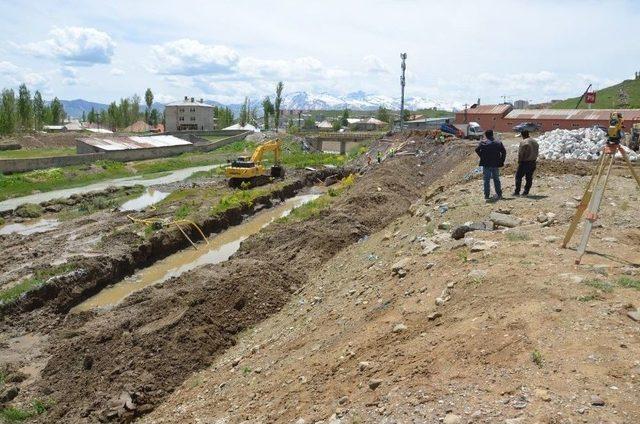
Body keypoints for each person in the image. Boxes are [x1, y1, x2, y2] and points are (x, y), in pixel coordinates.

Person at [475, 129, 506, 201]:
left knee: (486, 180)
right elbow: (504, 152)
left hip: (486, 164)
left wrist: (482, 157)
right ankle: (499, 194)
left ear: (486, 135)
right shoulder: (498, 143)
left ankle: (487, 195)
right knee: (496, 179)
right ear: (492, 134)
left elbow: (476, 150)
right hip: (495, 164)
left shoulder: (483, 143)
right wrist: (501, 161)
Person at [513, 130, 539, 196]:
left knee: (518, 177)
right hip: (533, 162)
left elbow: (521, 153)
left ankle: (517, 192)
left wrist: (519, 161)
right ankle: (526, 192)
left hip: (525, 162)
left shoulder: (524, 142)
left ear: (522, 135)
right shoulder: (535, 141)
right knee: (529, 178)